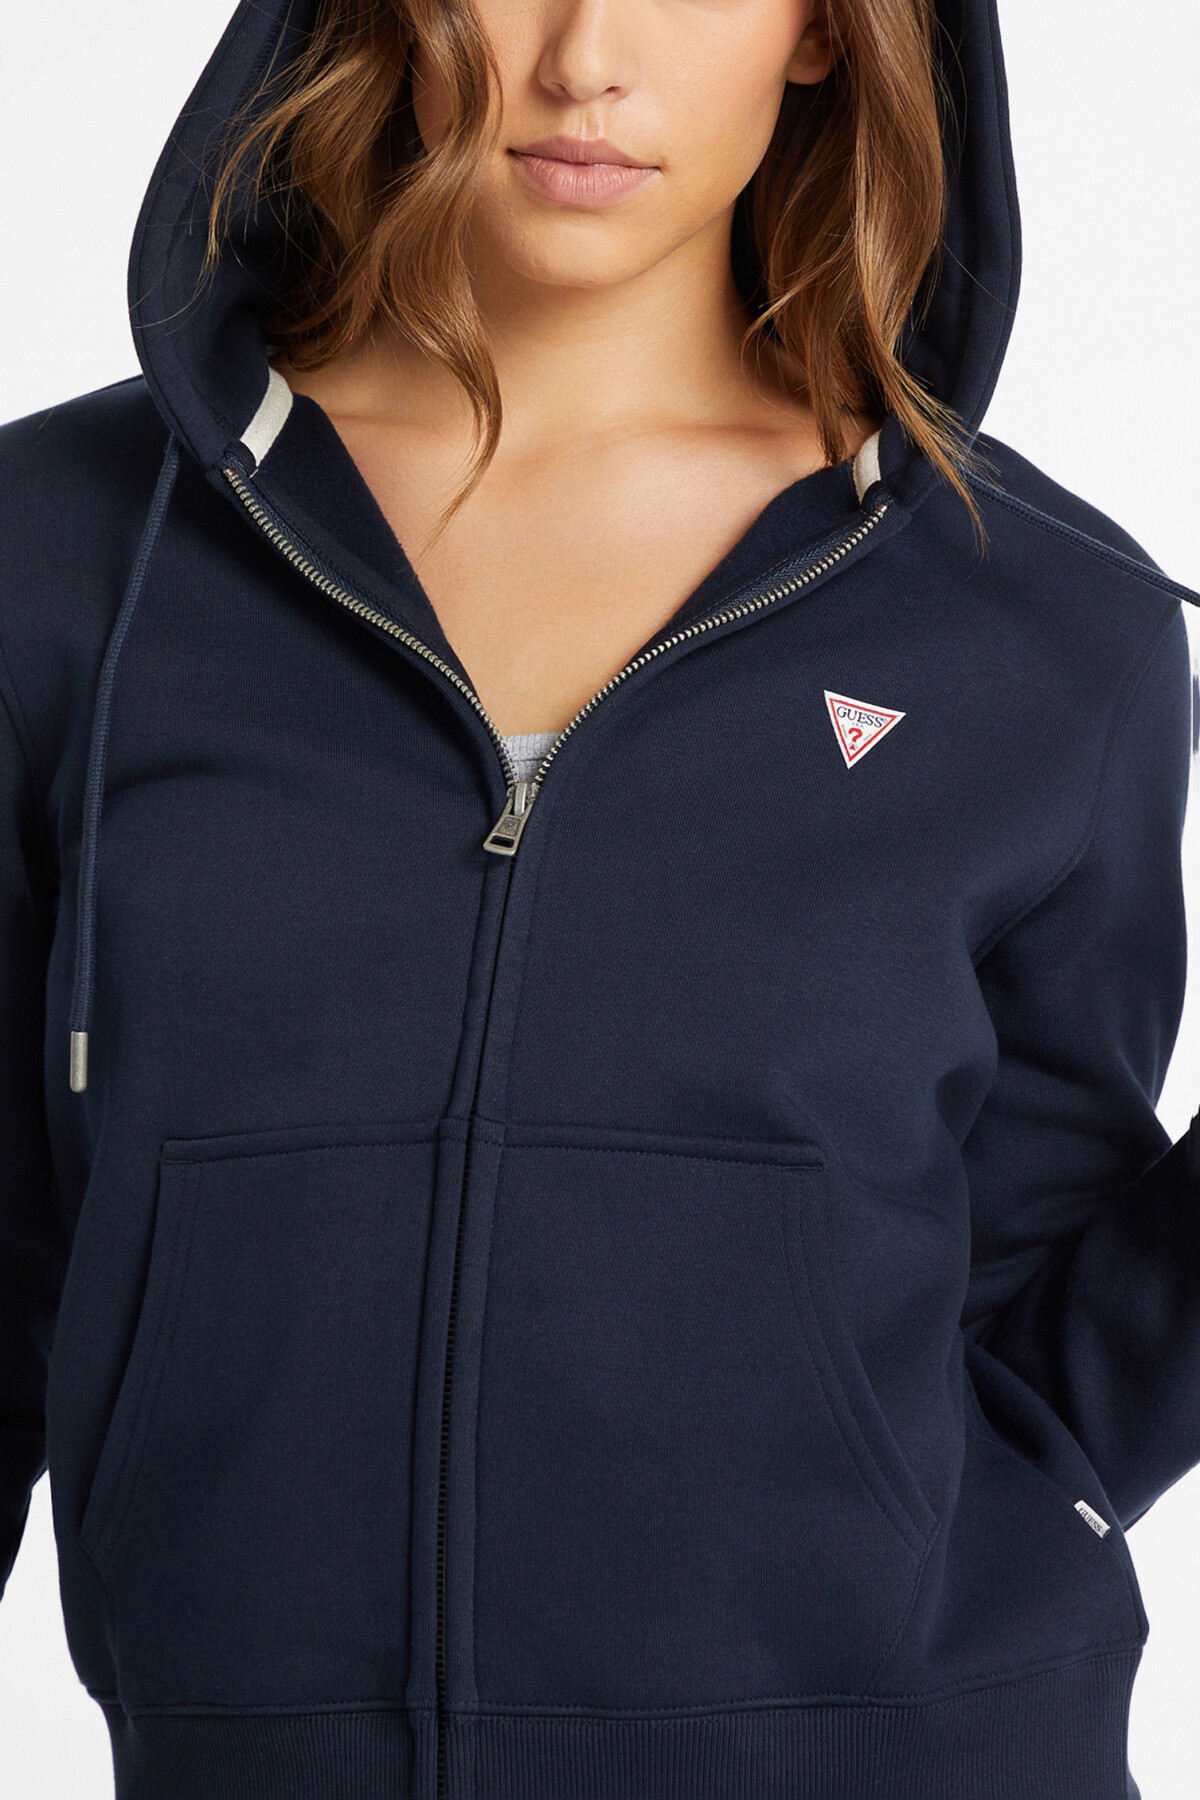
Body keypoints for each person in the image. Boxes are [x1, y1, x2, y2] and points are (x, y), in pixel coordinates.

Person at [0, 0, 1197, 1796]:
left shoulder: (1041, 614)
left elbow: (1047, 1294)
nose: (585, 59)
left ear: (826, 34)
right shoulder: (67, 553)